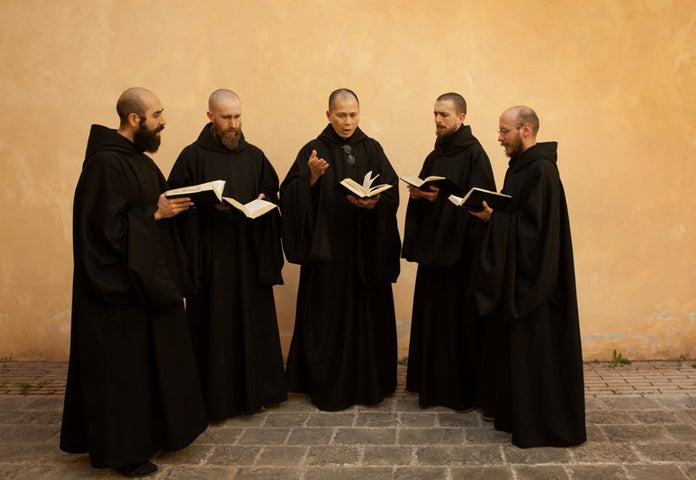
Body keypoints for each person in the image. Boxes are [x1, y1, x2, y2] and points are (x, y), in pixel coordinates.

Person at [60, 87, 208, 477]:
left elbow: (149, 209)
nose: (164, 121)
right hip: (117, 293)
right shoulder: (105, 165)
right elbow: (102, 232)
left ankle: (155, 432)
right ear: (134, 120)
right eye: (157, 114)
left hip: (148, 285)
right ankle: (123, 450)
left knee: (152, 365)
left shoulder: (138, 161)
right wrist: (154, 216)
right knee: (123, 374)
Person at [167, 89, 286, 422]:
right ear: (210, 117)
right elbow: (176, 202)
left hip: (250, 258)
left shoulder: (255, 155)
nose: (233, 125)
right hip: (213, 262)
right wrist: (206, 206)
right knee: (215, 329)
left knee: (253, 322)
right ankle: (216, 400)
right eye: (226, 118)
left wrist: (264, 198)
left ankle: (258, 392)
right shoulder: (192, 157)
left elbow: (273, 191)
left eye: (237, 117)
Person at [470, 106, 586, 448]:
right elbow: (517, 217)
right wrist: (495, 216)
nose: (499, 138)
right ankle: (517, 414)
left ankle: (542, 425)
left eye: (505, 131)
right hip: (518, 277)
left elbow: (534, 233)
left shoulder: (542, 172)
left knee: (537, 353)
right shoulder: (520, 168)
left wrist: (495, 219)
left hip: (538, 286)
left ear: (526, 129)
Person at [280, 88, 401, 411]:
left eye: (353, 114)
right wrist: (310, 178)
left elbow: (391, 194)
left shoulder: (372, 148)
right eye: (341, 115)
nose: (348, 122)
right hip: (328, 254)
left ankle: (369, 383)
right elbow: (288, 193)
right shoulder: (313, 149)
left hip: (365, 252)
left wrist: (375, 202)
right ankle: (330, 385)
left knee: (366, 316)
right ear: (329, 114)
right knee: (328, 316)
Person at [402, 92, 496, 411]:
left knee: (458, 324)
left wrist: (439, 200)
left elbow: (480, 206)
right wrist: (420, 197)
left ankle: (459, 392)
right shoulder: (435, 154)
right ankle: (431, 384)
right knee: (433, 320)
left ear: (461, 118)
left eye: (445, 114)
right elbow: (432, 195)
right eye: (435, 114)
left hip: (460, 259)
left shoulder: (475, 155)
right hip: (434, 256)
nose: (439, 120)